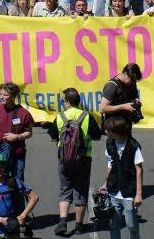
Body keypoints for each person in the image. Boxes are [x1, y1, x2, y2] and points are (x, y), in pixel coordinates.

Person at [49, 87, 102, 236]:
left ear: (67, 102)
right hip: (83, 159)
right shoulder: (86, 116)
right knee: (81, 191)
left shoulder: (60, 117)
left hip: (64, 160)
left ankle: (63, 221)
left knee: (65, 190)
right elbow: (97, 136)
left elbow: (53, 136)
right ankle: (79, 225)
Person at [0, 152, 38, 237]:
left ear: (5, 166)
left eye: (1, 165)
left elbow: (34, 197)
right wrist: (0, 220)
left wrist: (23, 216)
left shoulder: (14, 182)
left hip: (12, 228)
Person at [103, 113, 143, 239]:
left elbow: (139, 169)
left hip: (129, 191)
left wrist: (138, 194)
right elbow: (111, 163)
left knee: (131, 224)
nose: (105, 132)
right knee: (114, 225)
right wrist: (106, 183)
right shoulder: (110, 143)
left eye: (108, 130)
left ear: (116, 132)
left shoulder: (133, 146)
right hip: (114, 189)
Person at [0, 82, 34, 188]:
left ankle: (19, 203)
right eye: (0, 94)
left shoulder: (23, 113)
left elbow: (29, 132)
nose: (1, 97)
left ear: (13, 96)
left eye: (5, 95)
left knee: (18, 182)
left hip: (17, 154)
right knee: (0, 181)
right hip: (0, 153)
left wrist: (17, 137)